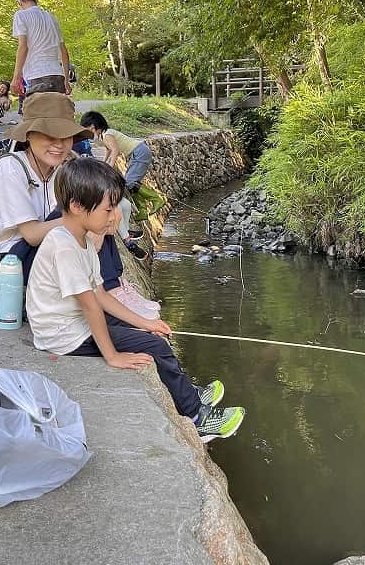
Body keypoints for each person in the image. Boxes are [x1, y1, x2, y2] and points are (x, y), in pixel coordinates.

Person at [26, 156, 246, 442]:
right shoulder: (64, 247)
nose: (114, 216)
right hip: (63, 335)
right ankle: (196, 416)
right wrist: (112, 355)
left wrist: (145, 321)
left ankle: (187, 391)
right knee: (153, 345)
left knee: (149, 331)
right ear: (77, 207)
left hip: (71, 323)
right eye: (108, 209)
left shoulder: (81, 238)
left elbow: (100, 294)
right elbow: (91, 305)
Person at [0, 92, 158, 319]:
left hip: (47, 250)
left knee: (93, 208)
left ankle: (113, 288)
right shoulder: (10, 168)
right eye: (49, 136)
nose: (58, 145)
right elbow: (33, 235)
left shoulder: (59, 170)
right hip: (12, 263)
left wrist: (106, 218)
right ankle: (111, 291)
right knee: (86, 212)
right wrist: (89, 222)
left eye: (65, 137)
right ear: (30, 135)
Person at [80, 111, 165, 261]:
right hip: (135, 154)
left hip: (140, 152)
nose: (90, 132)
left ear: (97, 126)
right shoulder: (101, 138)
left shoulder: (107, 134)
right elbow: (108, 151)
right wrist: (104, 163)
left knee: (129, 183)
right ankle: (140, 214)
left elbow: (115, 151)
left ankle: (156, 199)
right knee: (127, 194)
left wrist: (107, 168)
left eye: (91, 129)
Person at [10, 0, 71, 96]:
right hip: (58, 75)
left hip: (37, 76)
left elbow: (23, 47)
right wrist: (66, 80)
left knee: (37, 112)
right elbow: (64, 53)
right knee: (58, 113)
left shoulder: (21, 15)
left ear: (19, 2)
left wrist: (15, 78)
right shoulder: (52, 18)